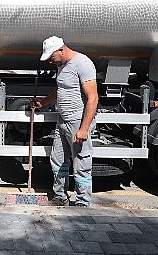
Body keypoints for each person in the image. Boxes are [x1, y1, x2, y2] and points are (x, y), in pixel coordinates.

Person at [30, 36, 98, 207]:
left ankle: (83, 201)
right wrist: (43, 102)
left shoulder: (82, 63)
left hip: (77, 121)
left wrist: (84, 129)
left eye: (51, 57)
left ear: (61, 50)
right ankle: (60, 196)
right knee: (58, 160)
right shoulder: (62, 65)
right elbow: (61, 88)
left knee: (81, 162)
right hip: (63, 120)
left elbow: (93, 98)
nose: (50, 61)